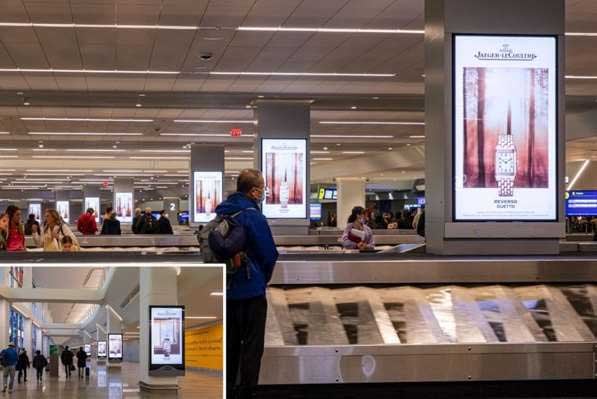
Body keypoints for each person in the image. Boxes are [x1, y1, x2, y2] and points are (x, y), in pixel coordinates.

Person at [217, 169, 278, 399]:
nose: (263, 193)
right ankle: (246, 392)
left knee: (230, 345)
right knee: (251, 348)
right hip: (251, 293)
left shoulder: (222, 213)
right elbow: (269, 254)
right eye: (262, 189)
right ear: (254, 191)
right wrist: (261, 278)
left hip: (226, 290)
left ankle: (228, 389)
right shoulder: (253, 215)